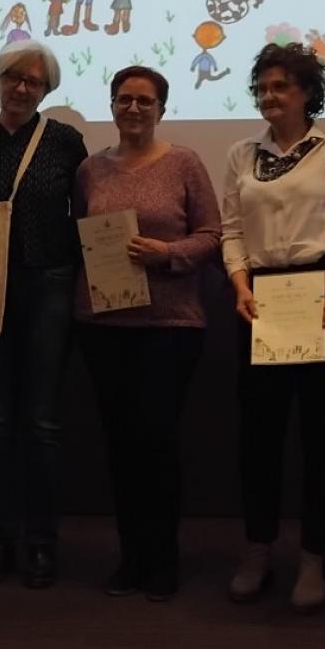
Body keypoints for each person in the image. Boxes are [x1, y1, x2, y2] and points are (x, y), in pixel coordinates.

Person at [219, 43, 325, 612]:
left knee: (324, 436)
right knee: (258, 435)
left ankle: (314, 555)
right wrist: (239, 284)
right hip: (259, 300)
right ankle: (258, 548)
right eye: (262, 87)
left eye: (281, 86)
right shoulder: (241, 154)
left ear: (308, 91)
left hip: (324, 294)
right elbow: (232, 230)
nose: (269, 96)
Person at [75, 66, 221, 600]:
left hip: (170, 324)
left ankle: (162, 559)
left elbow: (212, 233)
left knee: (156, 442)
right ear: (111, 105)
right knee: (119, 445)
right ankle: (130, 557)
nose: (133, 108)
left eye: (144, 100)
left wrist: (169, 253)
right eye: (123, 99)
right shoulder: (90, 170)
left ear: (161, 107)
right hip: (104, 324)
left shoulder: (184, 162)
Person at [0, 40, 88, 588]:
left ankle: (41, 542)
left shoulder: (65, 141)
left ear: (47, 89)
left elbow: (87, 212)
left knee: (42, 421)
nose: (22, 88)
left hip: (49, 285)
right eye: (14, 77)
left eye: (34, 81)